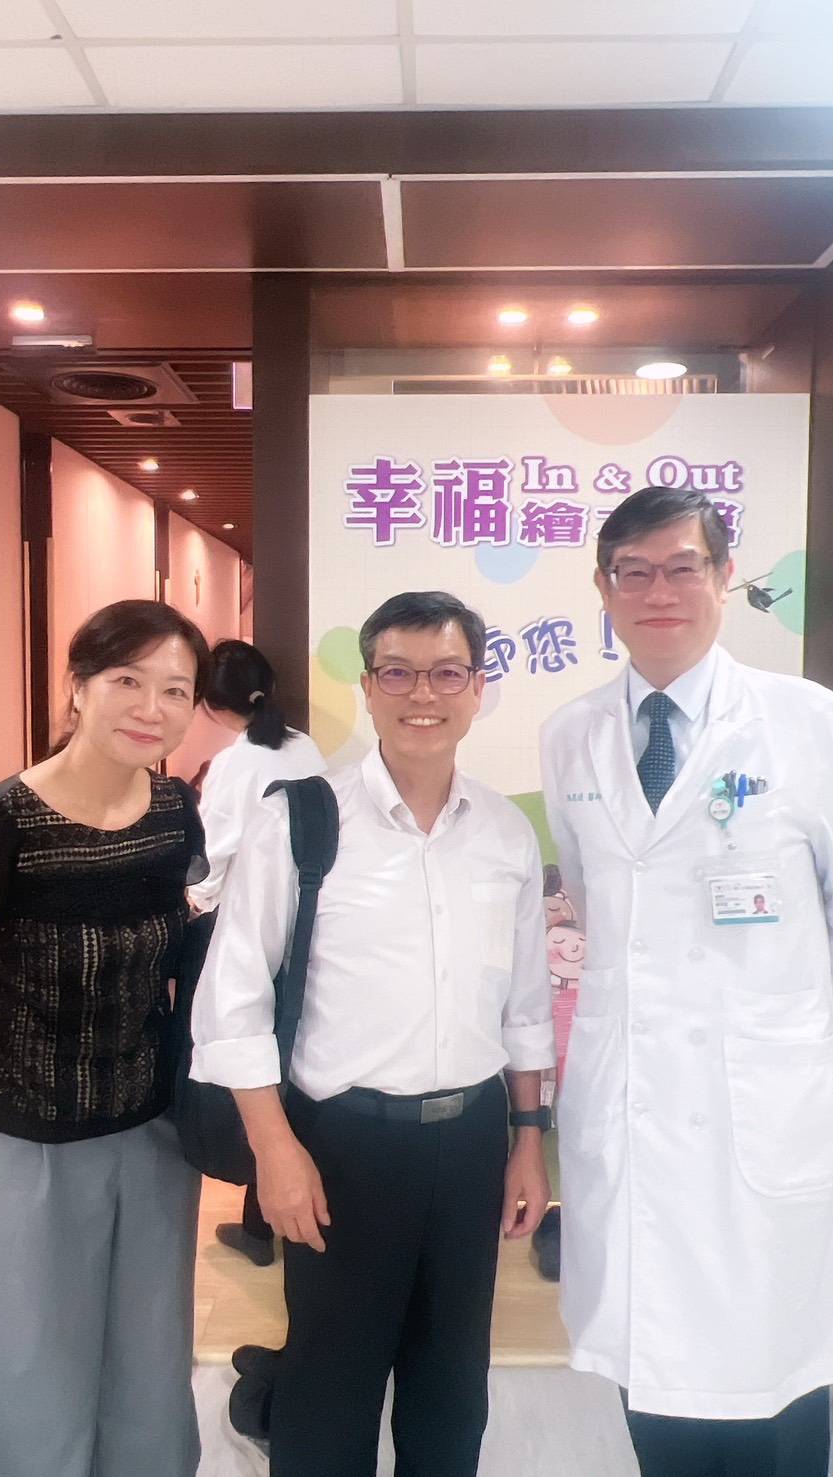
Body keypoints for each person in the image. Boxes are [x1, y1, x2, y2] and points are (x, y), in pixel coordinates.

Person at [540, 486, 833, 1477]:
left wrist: (781, 1033)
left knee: (776, 1387)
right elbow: (597, 904)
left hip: (761, 1105)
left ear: (725, 577)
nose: (658, 591)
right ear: (603, 587)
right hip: (634, 1110)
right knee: (654, 1389)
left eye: (682, 567)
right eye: (633, 571)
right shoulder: (571, 735)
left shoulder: (806, 720)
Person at [191, 590, 555, 1477]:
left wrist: (528, 1141)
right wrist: (274, 1149)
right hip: (342, 1144)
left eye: (447, 672)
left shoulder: (505, 832)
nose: (421, 693)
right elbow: (232, 996)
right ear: (367, 686)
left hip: (471, 1140)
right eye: (397, 672)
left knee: (452, 1388)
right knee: (329, 1390)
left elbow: (524, 1006)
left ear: (478, 688)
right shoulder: (301, 817)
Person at [0, 599, 212, 1477]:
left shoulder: (174, 811)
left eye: (175, 689)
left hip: (149, 1128)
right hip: (18, 1135)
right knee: (21, 1355)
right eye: (127, 680)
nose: (150, 707)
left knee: (147, 1353)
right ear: (77, 685)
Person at [186, 638, 325, 1266]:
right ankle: (267, 1216)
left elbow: (212, 855)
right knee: (288, 1054)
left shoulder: (233, 763)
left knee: (239, 1062)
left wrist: (194, 901)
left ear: (210, 705)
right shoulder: (305, 748)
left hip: (243, 925)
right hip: (308, 926)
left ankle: (260, 1214)